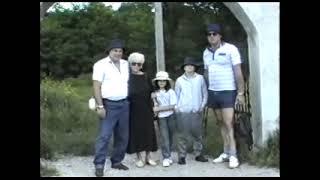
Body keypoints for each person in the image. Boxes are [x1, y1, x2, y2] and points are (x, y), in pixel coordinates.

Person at [203, 23, 245, 168]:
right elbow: (207, 72)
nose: (211, 36)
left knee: (229, 123)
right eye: (209, 34)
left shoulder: (230, 49)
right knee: (220, 123)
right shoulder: (206, 52)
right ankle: (226, 152)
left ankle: (234, 155)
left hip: (228, 90)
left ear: (220, 35)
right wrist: (207, 89)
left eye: (214, 34)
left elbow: (238, 71)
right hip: (213, 91)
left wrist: (240, 93)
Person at [92, 39, 130, 177]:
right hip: (108, 104)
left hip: (124, 104)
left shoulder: (126, 64)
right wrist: (99, 105)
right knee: (104, 135)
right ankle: (99, 164)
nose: (118, 53)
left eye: (120, 51)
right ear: (109, 51)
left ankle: (117, 161)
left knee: (123, 136)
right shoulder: (100, 65)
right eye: (115, 50)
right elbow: (96, 85)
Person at [126, 52, 158, 168]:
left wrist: (155, 105)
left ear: (142, 65)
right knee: (137, 132)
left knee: (149, 132)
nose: (136, 66)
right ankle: (139, 158)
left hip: (147, 108)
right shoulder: (126, 77)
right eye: (133, 64)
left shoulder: (146, 76)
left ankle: (149, 157)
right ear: (130, 64)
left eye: (139, 64)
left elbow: (152, 92)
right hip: (133, 109)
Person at [175, 57, 208, 165]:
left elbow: (204, 93)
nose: (189, 67)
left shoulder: (200, 78)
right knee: (182, 135)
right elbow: (176, 96)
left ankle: (198, 154)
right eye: (187, 65)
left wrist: (202, 106)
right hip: (183, 111)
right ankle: (182, 156)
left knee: (197, 134)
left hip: (196, 110)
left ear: (194, 68)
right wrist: (177, 108)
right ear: (184, 68)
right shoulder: (179, 80)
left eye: (191, 65)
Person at [152, 71, 177, 167]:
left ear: (167, 82)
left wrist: (159, 108)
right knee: (164, 137)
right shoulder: (154, 93)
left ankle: (169, 155)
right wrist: (154, 103)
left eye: (164, 81)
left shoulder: (170, 92)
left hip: (170, 116)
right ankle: (166, 157)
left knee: (170, 136)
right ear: (157, 82)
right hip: (161, 117)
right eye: (159, 81)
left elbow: (172, 105)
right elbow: (154, 106)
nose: (161, 82)